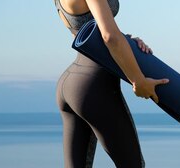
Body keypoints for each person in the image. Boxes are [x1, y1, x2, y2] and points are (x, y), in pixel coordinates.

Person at [53, 0, 168, 167]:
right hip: (94, 85)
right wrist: (139, 80)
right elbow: (109, 37)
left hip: (71, 83)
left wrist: (126, 42)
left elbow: (86, 34)